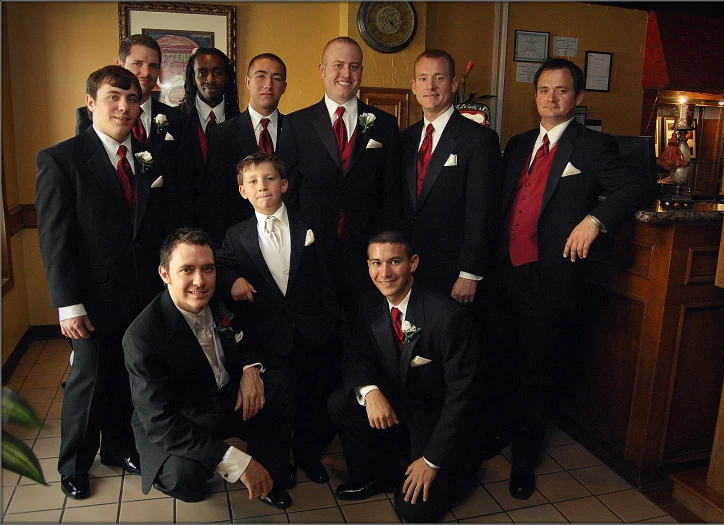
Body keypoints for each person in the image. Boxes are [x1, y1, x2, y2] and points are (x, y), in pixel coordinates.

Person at [480, 58, 654, 500]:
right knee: (499, 359)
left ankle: (524, 459)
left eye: (560, 91)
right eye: (543, 90)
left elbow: (637, 187)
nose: (550, 98)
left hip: (547, 274)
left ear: (577, 98)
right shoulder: (518, 144)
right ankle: (499, 431)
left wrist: (595, 220)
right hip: (502, 271)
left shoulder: (594, 147)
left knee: (536, 370)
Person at [36, 65, 173, 499]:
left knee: (130, 377)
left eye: (132, 99)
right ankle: (74, 464)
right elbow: (55, 238)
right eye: (114, 97)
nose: (125, 107)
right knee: (91, 380)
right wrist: (67, 303)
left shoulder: (151, 157)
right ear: (91, 102)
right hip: (90, 298)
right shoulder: (62, 158)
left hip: (142, 295)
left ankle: (119, 446)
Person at [123, 228, 295, 508]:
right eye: (187, 270)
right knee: (187, 481)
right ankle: (177, 460)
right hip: (178, 418)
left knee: (280, 382)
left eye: (207, 269)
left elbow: (247, 338)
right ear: (165, 274)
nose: (199, 281)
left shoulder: (219, 301)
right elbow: (160, 421)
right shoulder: (142, 336)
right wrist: (235, 461)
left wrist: (250, 369)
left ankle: (269, 473)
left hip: (218, 399)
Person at [328, 230, 480, 523]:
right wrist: (370, 391)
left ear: (413, 263)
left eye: (394, 261)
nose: (384, 272)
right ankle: (375, 475)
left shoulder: (446, 316)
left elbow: (463, 394)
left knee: (413, 511)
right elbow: (355, 354)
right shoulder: (369, 303)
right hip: (397, 403)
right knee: (340, 403)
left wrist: (431, 460)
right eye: (375, 263)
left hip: (434, 415)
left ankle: (449, 466)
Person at [215, 152, 338, 486]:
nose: (262, 187)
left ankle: (309, 455)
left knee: (313, 397)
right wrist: (232, 280)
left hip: (312, 329)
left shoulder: (309, 224)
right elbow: (219, 268)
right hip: (267, 335)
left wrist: (329, 321)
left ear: (283, 184)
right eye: (252, 181)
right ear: (242, 191)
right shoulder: (235, 235)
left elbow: (329, 278)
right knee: (280, 400)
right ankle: (275, 460)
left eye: (269, 179)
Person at [276, 36, 402, 329]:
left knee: (366, 328)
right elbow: (288, 191)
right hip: (313, 249)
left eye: (354, 67)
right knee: (319, 329)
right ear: (322, 70)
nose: (346, 74)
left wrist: (388, 248)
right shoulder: (297, 124)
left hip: (368, 251)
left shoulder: (384, 124)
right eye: (339, 65)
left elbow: (391, 191)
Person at [400, 49, 502, 304]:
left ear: (454, 83)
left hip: (454, 274)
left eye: (439, 78)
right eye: (423, 79)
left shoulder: (479, 140)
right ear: (413, 86)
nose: (430, 86)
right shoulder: (405, 139)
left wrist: (470, 272)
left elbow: (483, 211)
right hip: (408, 270)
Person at [208, 53, 288, 245]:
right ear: (247, 81)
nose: (268, 84)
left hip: (287, 237)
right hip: (240, 242)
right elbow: (216, 198)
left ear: (284, 86)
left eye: (276, 78)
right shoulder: (222, 133)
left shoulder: (297, 129)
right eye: (261, 76)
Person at [75, 34, 182, 154]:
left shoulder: (177, 118)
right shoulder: (90, 116)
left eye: (153, 66)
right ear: (120, 65)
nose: (146, 72)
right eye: (138, 64)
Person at [176, 47, 240, 229]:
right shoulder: (176, 122)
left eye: (217, 72)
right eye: (202, 73)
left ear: (227, 77)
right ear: (192, 78)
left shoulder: (242, 124)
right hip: (185, 228)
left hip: (230, 228)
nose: (210, 79)